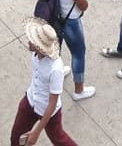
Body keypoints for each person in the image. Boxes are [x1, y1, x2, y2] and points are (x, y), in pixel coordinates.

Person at [9, 17, 78, 146]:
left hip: (49, 112)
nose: (29, 41)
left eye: (32, 40)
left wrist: (36, 132)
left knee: (59, 140)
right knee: (16, 137)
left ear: (40, 48)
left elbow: (52, 104)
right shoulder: (35, 55)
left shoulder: (55, 69)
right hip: (30, 101)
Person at [37, 0, 94, 100]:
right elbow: (84, 6)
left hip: (54, 21)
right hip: (70, 23)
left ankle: (57, 73)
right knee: (78, 53)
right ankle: (79, 90)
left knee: (56, 50)